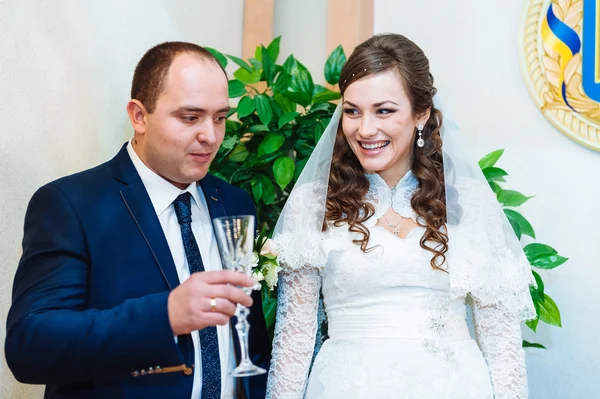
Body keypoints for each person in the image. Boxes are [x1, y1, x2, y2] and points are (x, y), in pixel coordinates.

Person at [266, 33, 535, 398]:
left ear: (420, 114)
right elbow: (294, 344)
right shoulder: (313, 205)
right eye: (352, 111)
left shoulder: (468, 205)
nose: (365, 129)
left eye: (384, 110)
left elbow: (502, 348)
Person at [5, 41, 271, 399]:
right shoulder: (71, 204)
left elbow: (249, 342)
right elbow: (30, 347)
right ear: (139, 116)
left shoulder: (233, 201)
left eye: (220, 117)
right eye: (190, 117)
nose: (210, 136)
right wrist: (163, 316)